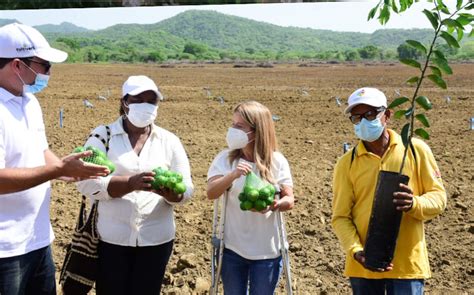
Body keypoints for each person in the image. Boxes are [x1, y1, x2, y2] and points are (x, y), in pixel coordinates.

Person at [0, 23, 109, 295]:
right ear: (17, 65)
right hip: (5, 250)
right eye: (45, 65)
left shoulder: (29, 102)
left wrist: (67, 171)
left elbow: (41, 151)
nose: (48, 72)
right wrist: (56, 170)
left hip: (37, 240)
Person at [76, 75, 193, 295]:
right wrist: (130, 183)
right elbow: (85, 183)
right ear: (124, 102)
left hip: (156, 240)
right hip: (111, 240)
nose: (145, 105)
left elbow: (187, 188)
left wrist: (172, 194)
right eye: (138, 99)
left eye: (151, 100)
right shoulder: (103, 136)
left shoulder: (169, 141)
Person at [331, 87, 447, 294]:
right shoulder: (346, 163)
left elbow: (439, 197)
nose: (364, 121)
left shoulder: (414, 150)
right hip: (363, 268)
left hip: (407, 266)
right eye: (357, 117)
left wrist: (414, 204)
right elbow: (341, 217)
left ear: (387, 115)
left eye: (370, 114)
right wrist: (356, 251)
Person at [207, 100, 295, 295]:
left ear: (256, 131)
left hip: (267, 252)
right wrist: (232, 176)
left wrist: (275, 204)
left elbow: (289, 200)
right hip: (232, 250)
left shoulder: (277, 161)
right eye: (232, 124)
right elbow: (211, 192)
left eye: (239, 126)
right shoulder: (225, 159)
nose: (233, 130)